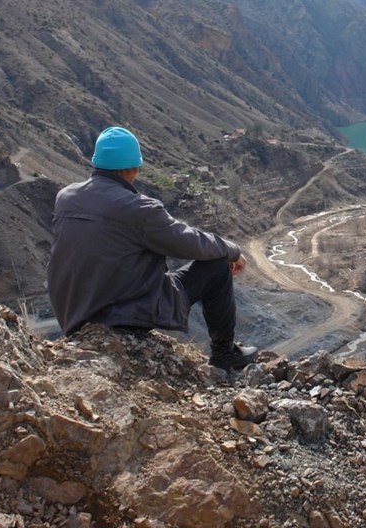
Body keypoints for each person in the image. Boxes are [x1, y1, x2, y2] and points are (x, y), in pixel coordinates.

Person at [47, 126, 258, 371]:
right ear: (134, 168)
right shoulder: (139, 209)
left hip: (73, 313)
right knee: (217, 265)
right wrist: (232, 250)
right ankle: (225, 353)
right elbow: (190, 242)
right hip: (122, 314)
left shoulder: (66, 197)